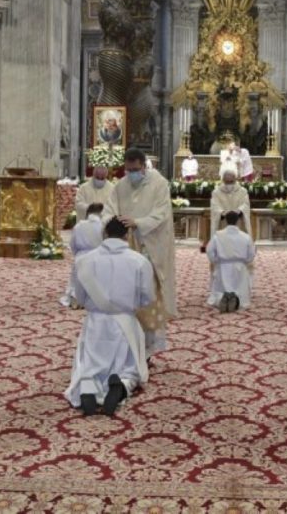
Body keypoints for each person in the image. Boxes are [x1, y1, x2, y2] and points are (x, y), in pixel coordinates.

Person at [64, 217, 153, 416]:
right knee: (129, 368)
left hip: (95, 321)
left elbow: (80, 296)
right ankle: (121, 386)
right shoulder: (139, 261)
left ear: (104, 234)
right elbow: (147, 298)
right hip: (125, 323)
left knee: (89, 363)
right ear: (126, 235)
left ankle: (88, 387)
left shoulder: (85, 261)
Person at [103, 148, 176, 356]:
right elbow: (109, 208)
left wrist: (138, 223)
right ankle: (126, 342)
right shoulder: (121, 185)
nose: (131, 173)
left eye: (135, 169)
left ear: (144, 166)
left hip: (149, 247)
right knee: (126, 296)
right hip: (124, 246)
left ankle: (148, 348)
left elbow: (162, 213)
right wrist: (113, 222)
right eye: (128, 170)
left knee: (148, 296)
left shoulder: (159, 184)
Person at [206, 210, 255, 313]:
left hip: (223, 266)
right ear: (238, 220)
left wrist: (216, 261)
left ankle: (222, 299)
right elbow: (251, 254)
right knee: (239, 288)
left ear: (225, 221)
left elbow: (209, 250)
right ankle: (237, 300)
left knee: (221, 288)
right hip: (239, 267)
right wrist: (245, 261)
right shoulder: (245, 237)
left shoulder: (218, 235)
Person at [62, 203, 104, 308]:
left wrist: (78, 254)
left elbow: (72, 243)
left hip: (81, 256)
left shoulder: (79, 225)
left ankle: (77, 299)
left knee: (78, 278)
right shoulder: (103, 226)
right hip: (99, 256)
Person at [209, 170, 252, 239]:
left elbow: (245, 204)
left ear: (235, 179)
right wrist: (223, 213)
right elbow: (215, 206)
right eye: (227, 182)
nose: (229, 184)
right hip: (223, 223)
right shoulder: (216, 192)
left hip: (238, 222)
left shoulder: (242, 191)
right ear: (223, 180)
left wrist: (237, 212)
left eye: (231, 181)